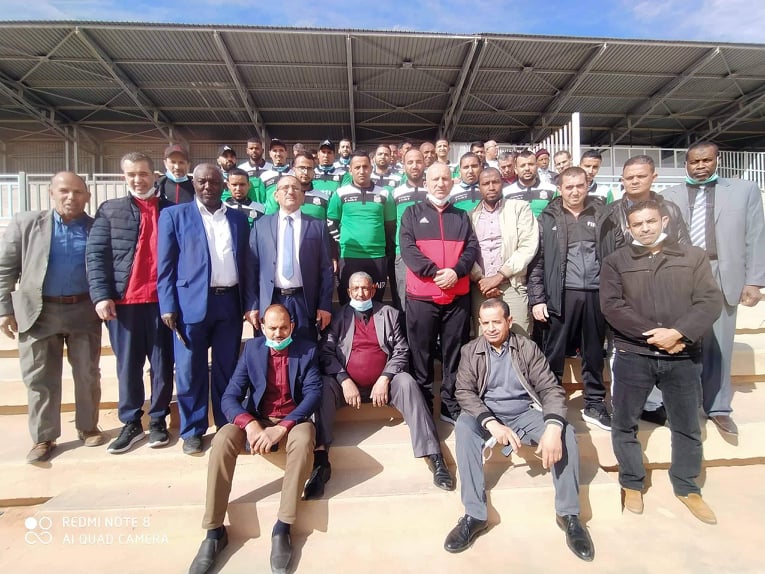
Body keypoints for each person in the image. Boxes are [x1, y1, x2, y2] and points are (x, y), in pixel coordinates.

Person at [444, 298, 594, 562]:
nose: (490, 328)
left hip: (524, 413)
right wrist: (491, 423)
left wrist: (553, 427)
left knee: (566, 433)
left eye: (496, 322)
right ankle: (475, 515)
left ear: (509, 321)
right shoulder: (471, 351)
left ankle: (569, 515)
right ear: (479, 324)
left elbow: (550, 388)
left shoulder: (527, 348)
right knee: (464, 428)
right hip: (488, 415)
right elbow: (464, 392)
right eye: (485, 323)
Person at [600, 200, 722, 523]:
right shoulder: (616, 261)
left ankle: (687, 485)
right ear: (628, 228)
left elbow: (709, 301)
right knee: (624, 422)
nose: (645, 228)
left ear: (664, 221)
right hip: (634, 354)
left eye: (651, 221)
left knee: (686, 424)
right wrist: (655, 335)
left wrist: (679, 333)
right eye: (637, 224)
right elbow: (612, 306)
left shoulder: (692, 257)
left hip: (682, 354)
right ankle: (631, 482)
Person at [187, 304, 321, 574]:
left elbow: (313, 394)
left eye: (283, 327)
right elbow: (229, 397)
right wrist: (250, 425)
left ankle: (283, 527)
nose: (278, 333)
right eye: (272, 328)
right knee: (223, 437)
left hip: (291, 422)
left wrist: (282, 427)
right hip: (257, 419)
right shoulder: (251, 350)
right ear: (261, 327)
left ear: (292, 327)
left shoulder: (307, 350)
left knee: (305, 436)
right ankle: (214, 531)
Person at [303, 272, 454, 500]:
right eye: (355, 289)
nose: (360, 293)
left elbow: (401, 350)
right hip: (346, 387)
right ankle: (320, 461)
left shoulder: (389, 314)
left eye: (365, 288)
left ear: (373, 290)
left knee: (408, 383)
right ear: (348, 292)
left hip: (384, 384)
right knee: (322, 386)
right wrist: (344, 380)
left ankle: (434, 456)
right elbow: (326, 353)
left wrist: (385, 378)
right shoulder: (339, 317)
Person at [661, 141, 765, 436]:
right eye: (694, 162)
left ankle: (718, 407)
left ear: (716, 160)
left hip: (722, 271)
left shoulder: (744, 191)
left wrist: (754, 281)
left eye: (706, 160)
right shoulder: (669, 195)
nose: (700, 166)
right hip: (682, 274)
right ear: (686, 164)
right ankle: (684, 405)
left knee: (719, 343)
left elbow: (756, 236)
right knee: (682, 341)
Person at [0, 172, 103, 463]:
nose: (71, 197)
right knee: (39, 377)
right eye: (64, 191)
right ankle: (44, 437)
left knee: (87, 373)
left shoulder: (96, 228)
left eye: (78, 192)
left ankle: (88, 426)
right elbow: (5, 268)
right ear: (51, 193)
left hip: (83, 310)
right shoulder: (26, 224)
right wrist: (4, 310)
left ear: (87, 196)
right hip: (38, 311)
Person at [157, 163, 251, 455]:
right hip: (190, 305)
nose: (208, 186)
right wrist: (168, 305)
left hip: (229, 303)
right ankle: (193, 430)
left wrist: (249, 303)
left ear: (223, 185)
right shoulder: (174, 215)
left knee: (227, 369)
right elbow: (165, 265)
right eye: (201, 182)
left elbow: (246, 263)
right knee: (189, 370)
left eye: (213, 181)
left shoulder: (238, 219)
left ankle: (226, 425)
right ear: (193, 184)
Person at [87, 152, 175, 454]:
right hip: (125, 303)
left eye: (143, 174)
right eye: (131, 175)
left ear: (154, 175)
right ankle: (131, 421)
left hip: (161, 303)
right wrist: (101, 295)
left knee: (162, 365)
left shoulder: (171, 210)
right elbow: (96, 255)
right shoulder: (110, 210)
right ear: (124, 177)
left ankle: (158, 419)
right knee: (128, 365)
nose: (138, 180)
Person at [528, 167, 623, 431]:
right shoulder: (548, 218)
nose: (574, 191)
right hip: (561, 294)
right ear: (560, 189)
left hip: (596, 293)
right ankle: (551, 398)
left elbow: (618, 255)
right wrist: (537, 299)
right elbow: (537, 261)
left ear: (587, 185)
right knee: (554, 351)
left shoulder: (604, 215)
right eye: (569, 187)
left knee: (593, 351)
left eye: (579, 185)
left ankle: (594, 403)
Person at [604, 155, 691, 425]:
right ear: (622, 180)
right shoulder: (610, 212)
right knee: (622, 347)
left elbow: (683, 248)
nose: (634, 181)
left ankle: (654, 404)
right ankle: (624, 404)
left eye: (640, 176)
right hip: (624, 288)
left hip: (664, 288)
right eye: (629, 177)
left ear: (654, 177)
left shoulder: (670, 210)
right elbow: (604, 250)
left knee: (660, 342)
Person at [400, 162, 478, 424]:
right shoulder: (411, 213)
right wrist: (435, 273)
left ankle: (449, 404)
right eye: (435, 179)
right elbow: (408, 249)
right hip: (422, 296)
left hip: (457, 295)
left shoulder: (462, 216)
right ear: (426, 183)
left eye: (445, 179)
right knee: (420, 353)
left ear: (452, 182)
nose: (440, 184)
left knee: (454, 352)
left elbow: (471, 249)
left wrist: (456, 271)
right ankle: (423, 404)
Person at [248, 174, 334, 343]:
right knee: (271, 352)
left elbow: (326, 269)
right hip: (271, 299)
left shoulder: (317, 226)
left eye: (295, 188)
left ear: (303, 196)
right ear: (276, 195)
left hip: (304, 301)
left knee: (305, 350)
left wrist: (324, 305)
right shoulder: (261, 225)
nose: (290, 191)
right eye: (285, 188)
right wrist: (252, 305)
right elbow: (251, 268)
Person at [469, 168, 538, 337]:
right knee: (485, 340)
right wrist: (481, 281)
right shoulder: (470, 216)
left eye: (495, 182)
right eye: (486, 183)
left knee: (519, 338)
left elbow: (528, 246)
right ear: (479, 187)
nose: (491, 187)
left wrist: (499, 276)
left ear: (503, 184)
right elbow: (466, 252)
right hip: (481, 289)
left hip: (512, 285)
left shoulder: (520, 208)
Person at [327, 150, 395, 305]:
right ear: (350, 170)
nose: (362, 171)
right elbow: (331, 223)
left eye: (365, 166)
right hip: (349, 257)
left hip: (377, 256)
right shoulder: (340, 193)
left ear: (371, 168)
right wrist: (342, 241)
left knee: (376, 303)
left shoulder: (384, 194)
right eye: (357, 167)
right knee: (348, 303)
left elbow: (390, 226)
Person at [391, 148, 428, 311]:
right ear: (403, 165)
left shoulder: (432, 190)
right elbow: (390, 223)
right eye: (410, 162)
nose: (415, 166)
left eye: (418, 162)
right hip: (403, 253)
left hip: (429, 253)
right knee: (404, 301)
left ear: (425, 164)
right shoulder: (395, 193)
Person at [503, 149, 557, 218]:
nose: (527, 168)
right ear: (516, 168)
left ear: (537, 166)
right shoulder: (506, 193)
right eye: (522, 165)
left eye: (531, 164)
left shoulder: (552, 190)